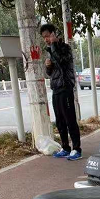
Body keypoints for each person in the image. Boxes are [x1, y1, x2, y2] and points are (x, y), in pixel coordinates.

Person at [40, 23, 82, 161]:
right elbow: (51, 73)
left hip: (66, 87)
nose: (46, 39)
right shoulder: (50, 51)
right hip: (56, 89)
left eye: (47, 36)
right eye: (44, 37)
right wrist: (48, 66)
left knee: (70, 120)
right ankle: (65, 148)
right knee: (60, 121)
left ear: (54, 34)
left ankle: (77, 149)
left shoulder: (65, 48)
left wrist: (53, 46)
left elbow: (62, 61)